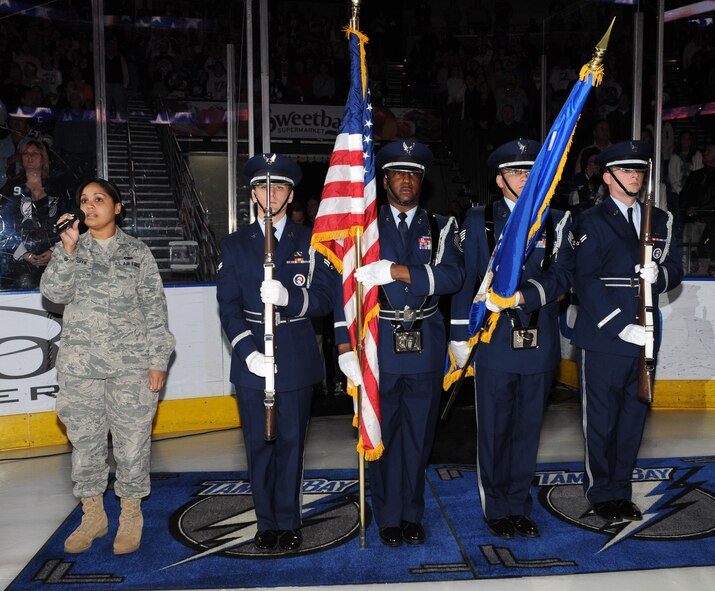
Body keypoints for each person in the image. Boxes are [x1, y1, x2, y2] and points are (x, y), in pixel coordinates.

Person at [336, 141, 464, 547]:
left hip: (425, 342)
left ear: (421, 182)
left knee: (419, 438)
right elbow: (343, 288)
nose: (406, 180)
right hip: (379, 346)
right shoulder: (364, 227)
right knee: (383, 434)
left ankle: (412, 513)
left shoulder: (441, 226)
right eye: (397, 173)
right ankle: (389, 516)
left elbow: (453, 278)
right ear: (385, 180)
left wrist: (396, 271)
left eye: (414, 174)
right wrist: (343, 346)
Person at [40, 178, 175, 555]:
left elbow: (155, 311)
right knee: (85, 447)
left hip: (131, 368)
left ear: (117, 207)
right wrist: (66, 250)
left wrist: (157, 360)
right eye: (84, 200)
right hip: (81, 367)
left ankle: (130, 515)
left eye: (99, 199)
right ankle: (93, 515)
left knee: (132, 447)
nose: (90, 205)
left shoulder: (138, 252)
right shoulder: (70, 247)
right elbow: (53, 295)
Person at [449, 139, 574, 540]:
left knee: (527, 430)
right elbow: (467, 282)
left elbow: (563, 276)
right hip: (494, 343)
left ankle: (520, 505)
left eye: (530, 170)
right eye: (516, 172)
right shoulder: (478, 221)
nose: (524, 178)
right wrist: (459, 338)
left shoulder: (557, 220)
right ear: (500, 179)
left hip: (539, 341)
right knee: (495, 429)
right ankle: (496, 507)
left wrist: (523, 296)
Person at [216, 153, 336, 552]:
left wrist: (290, 298)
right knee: (258, 446)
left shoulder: (311, 241)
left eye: (279, 187)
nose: (271, 195)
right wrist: (248, 352)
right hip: (253, 360)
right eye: (263, 187)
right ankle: (266, 522)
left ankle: (289, 520)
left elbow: (324, 297)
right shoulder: (234, 244)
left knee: (290, 445)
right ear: (252, 193)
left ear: (291, 194)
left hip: (296, 357)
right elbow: (228, 307)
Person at [571, 141, 683, 521]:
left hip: (648, 329)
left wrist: (660, 275)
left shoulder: (662, 220)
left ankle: (621, 488)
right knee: (600, 420)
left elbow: (676, 268)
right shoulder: (588, 219)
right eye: (626, 170)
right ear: (608, 176)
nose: (634, 177)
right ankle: (600, 491)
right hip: (605, 334)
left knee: (633, 417)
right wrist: (620, 326)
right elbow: (584, 280)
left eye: (639, 171)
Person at [1, 139, 71, 289]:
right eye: (26, 153)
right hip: (18, 264)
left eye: (34, 153)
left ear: (43, 158)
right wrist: (24, 254)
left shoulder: (57, 188)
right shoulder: (11, 187)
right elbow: (4, 224)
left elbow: (67, 222)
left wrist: (54, 251)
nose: (29, 157)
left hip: (55, 260)